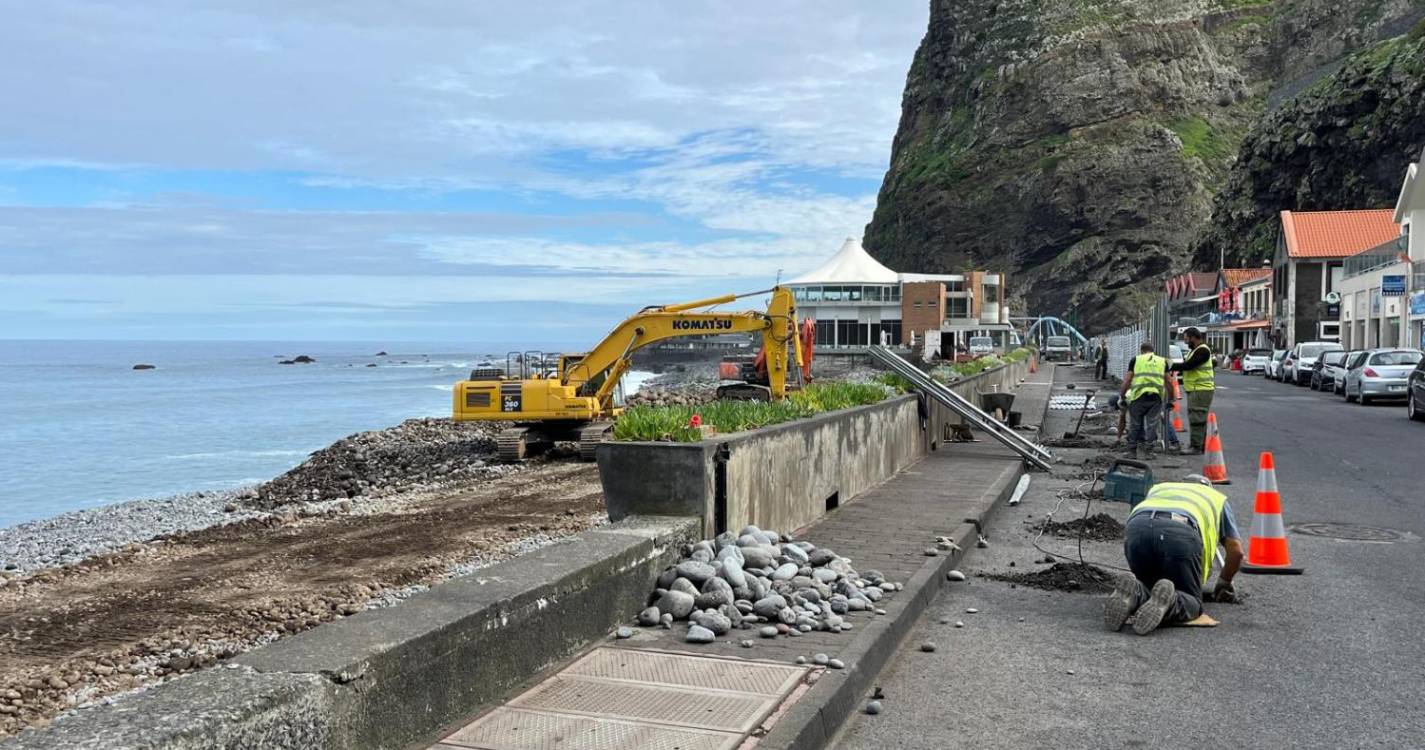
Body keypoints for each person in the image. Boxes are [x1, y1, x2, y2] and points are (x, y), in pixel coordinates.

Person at [1104, 475, 1244, 635]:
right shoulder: (1216, 498)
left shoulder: (1161, 488)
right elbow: (1236, 552)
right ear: (1208, 487)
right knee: (1192, 604)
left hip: (1136, 528)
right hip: (1179, 531)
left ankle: (1135, 592)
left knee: (1149, 588)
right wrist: (1224, 582)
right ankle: (1171, 601)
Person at [1118, 342, 1167, 459]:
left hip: (1138, 397)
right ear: (1153, 350)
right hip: (1155, 397)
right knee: (1152, 424)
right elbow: (1169, 381)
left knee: (1135, 424)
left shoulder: (1136, 360)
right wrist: (1172, 397)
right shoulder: (1161, 361)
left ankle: (1132, 452)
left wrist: (1122, 394)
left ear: (1141, 351)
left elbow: (1128, 379)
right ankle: (1149, 452)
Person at [1170, 327, 1214, 454]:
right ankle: (1200, 445)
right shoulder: (1195, 350)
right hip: (1196, 390)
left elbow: (1189, 366)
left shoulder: (1202, 351)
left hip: (1200, 390)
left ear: (1193, 337)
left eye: (1186, 339)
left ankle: (1196, 446)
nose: (1185, 342)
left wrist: (1170, 365)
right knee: (1198, 417)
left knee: (1197, 418)